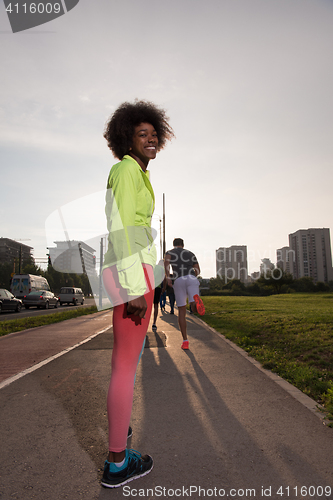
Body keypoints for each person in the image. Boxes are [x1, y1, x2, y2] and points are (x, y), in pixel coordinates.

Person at [101, 100, 174, 488]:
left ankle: (119, 434)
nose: (151, 139)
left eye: (154, 134)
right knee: (125, 367)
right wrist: (133, 286)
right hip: (131, 276)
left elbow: (138, 231)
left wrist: (156, 271)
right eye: (142, 133)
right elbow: (121, 229)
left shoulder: (139, 175)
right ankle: (117, 464)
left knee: (125, 363)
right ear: (126, 138)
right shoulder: (127, 171)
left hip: (141, 272)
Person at [164, 238, 205, 350]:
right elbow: (197, 269)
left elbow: (167, 264)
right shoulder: (190, 253)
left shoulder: (169, 252)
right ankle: (194, 302)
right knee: (193, 306)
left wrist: (168, 278)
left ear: (174, 245)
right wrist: (193, 277)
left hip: (179, 280)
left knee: (182, 310)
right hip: (191, 278)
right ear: (183, 245)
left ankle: (185, 341)